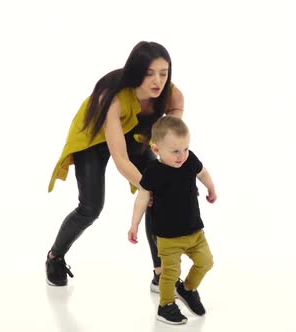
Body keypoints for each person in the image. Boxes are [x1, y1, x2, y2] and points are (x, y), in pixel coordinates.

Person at [46, 41, 184, 289]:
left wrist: (169, 166)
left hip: (133, 135)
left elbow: (172, 125)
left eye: (163, 73)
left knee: (156, 199)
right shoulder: (113, 100)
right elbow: (120, 159)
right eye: (149, 73)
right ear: (136, 72)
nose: (158, 81)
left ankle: (161, 273)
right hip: (93, 137)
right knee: (90, 207)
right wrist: (147, 185)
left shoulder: (171, 94)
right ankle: (54, 257)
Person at [127, 116, 216, 325]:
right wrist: (134, 224)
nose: (182, 155)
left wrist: (211, 188)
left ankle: (187, 289)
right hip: (168, 236)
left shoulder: (189, 161)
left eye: (185, 148)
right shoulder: (153, 172)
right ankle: (165, 306)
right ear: (156, 149)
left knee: (206, 262)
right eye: (175, 151)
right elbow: (142, 197)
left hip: (195, 232)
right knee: (170, 273)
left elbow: (202, 173)